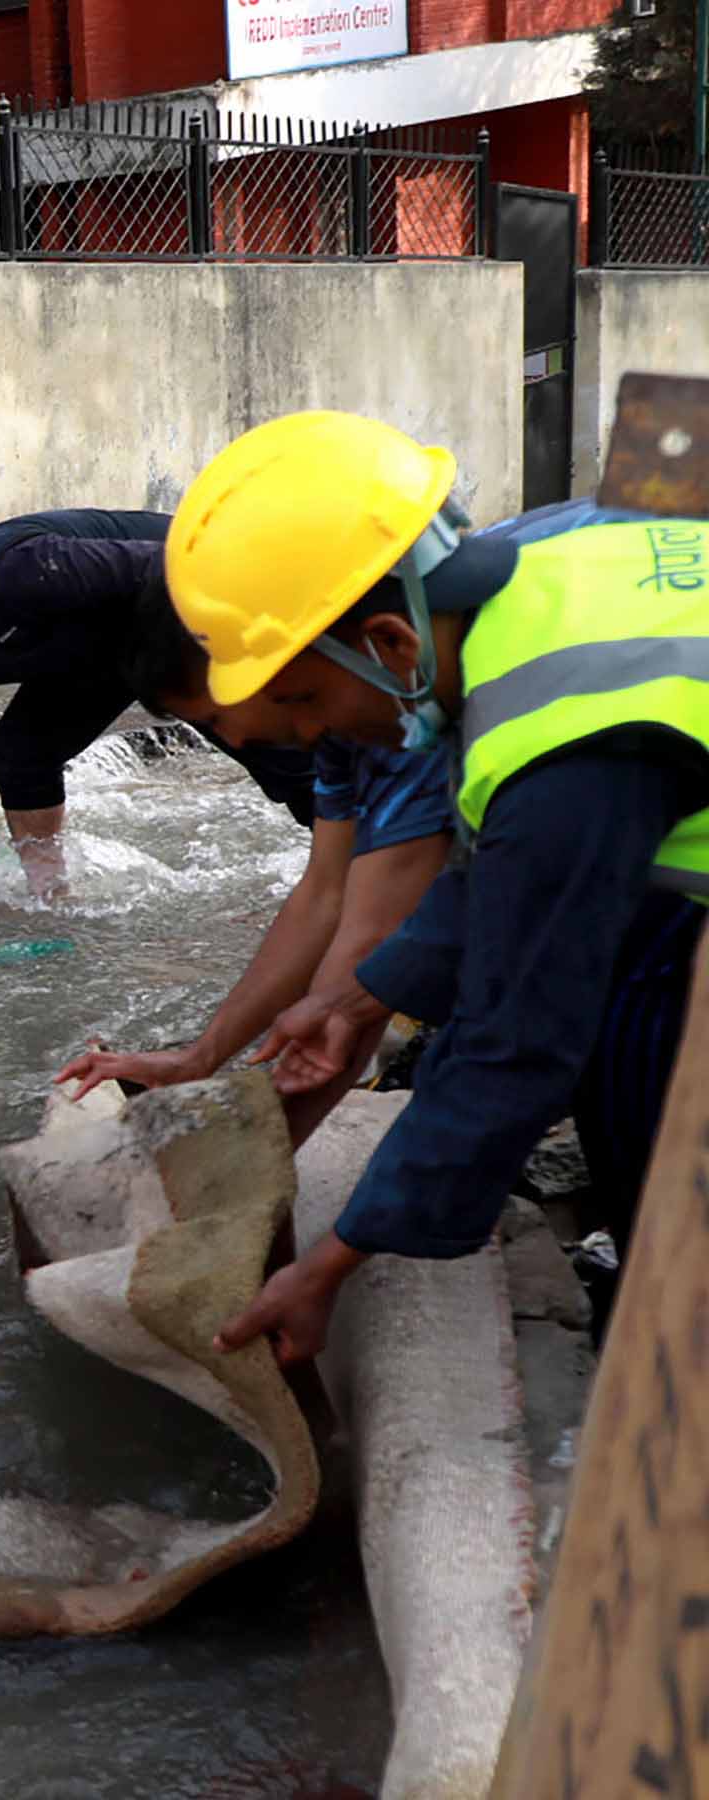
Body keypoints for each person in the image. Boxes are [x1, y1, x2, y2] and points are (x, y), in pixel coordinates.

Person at [155, 413, 709, 1367]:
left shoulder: (565, 735)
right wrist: (359, 994)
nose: (300, 732)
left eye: (301, 700)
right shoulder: (537, 558)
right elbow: (514, 881)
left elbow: (516, 1039)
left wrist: (334, 1259)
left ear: (387, 641)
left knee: (627, 1045)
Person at [54, 582, 457, 1142]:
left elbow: (366, 947)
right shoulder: (341, 717)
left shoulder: (398, 711)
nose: (237, 740)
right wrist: (203, 1057)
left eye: (218, 719)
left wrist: (256, 1166)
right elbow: (325, 894)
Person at [0, 511, 322, 903]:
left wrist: (199, 662)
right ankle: (51, 896)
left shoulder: (15, 572)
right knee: (20, 751)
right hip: (92, 648)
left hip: (170, 598)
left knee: (240, 729)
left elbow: (159, 567)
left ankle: (348, 845)